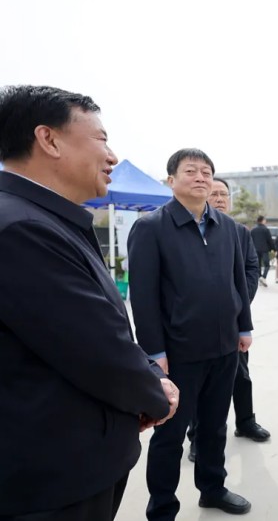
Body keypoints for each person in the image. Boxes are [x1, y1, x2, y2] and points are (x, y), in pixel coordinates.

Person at [0, 85, 178, 520]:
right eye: (101, 138)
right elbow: (97, 349)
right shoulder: (21, 229)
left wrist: (149, 378)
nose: (112, 156)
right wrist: (155, 393)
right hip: (55, 478)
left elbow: (100, 326)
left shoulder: (42, 218)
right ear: (49, 139)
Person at [128, 148, 254, 520]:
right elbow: (144, 296)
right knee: (170, 434)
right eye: (191, 171)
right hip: (178, 352)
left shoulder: (227, 227)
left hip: (225, 347)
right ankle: (162, 507)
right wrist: (154, 353)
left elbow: (238, 282)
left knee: (214, 427)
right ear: (171, 180)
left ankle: (212, 489)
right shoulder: (151, 228)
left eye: (206, 172)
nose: (201, 177)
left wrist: (243, 325)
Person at [186, 178, 270, 462]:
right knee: (201, 383)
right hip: (200, 323)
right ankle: (197, 436)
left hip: (234, 320)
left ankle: (245, 422)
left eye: (224, 194)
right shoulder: (194, 230)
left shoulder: (238, 231)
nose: (220, 199)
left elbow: (251, 268)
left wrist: (238, 303)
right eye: (215, 194)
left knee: (241, 375)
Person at [251, 215, 275, 287]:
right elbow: (270, 240)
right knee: (267, 265)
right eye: (265, 220)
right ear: (262, 220)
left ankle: (260, 277)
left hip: (255, 249)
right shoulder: (265, 229)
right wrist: (273, 248)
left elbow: (250, 240)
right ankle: (263, 277)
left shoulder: (253, 230)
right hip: (264, 249)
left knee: (258, 265)